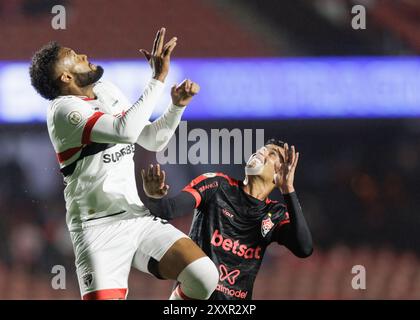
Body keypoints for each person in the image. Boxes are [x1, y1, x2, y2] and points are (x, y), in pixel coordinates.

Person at [29, 27, 219, 300]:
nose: (83, 54)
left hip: (135, 215)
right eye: (74, 56)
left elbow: (152, 139)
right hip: (96, 228)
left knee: (203, 276)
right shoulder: (63, 110)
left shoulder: (106, 90)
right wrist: (157, 79)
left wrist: (176, 106)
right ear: (66, 76)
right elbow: (125, 131)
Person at [141, 139, 313, 300]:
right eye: (261, 150)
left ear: (281, 172)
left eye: (272, 154)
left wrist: (288, 189)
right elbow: (168, 210)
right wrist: (154, 197)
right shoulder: (216, 185)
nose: (261, 153)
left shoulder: (274, 213)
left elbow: (304, 248)